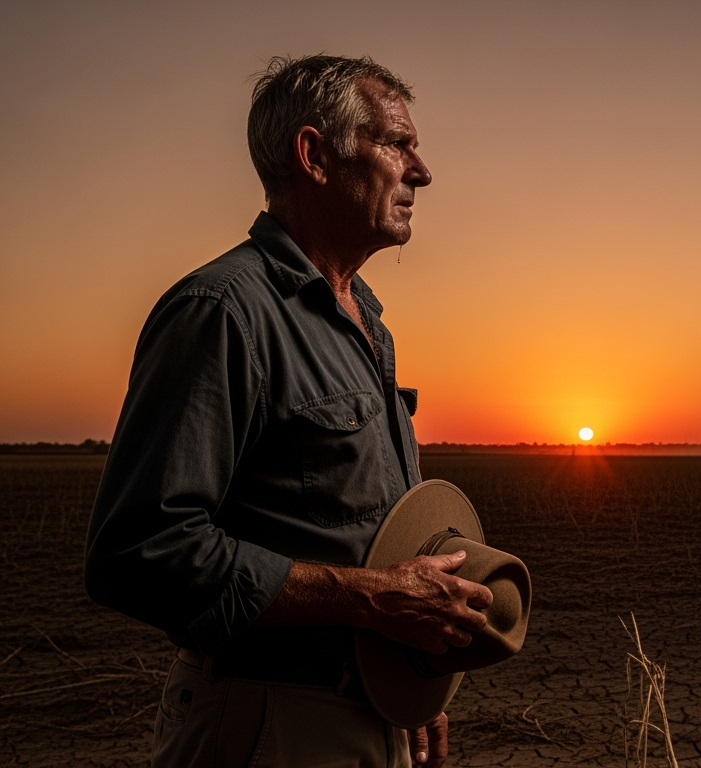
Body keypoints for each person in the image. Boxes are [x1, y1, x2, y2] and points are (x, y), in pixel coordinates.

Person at [84, 54, 489, 768]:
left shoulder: (366, 321)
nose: (421, 172)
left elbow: (359, 532)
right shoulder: (223, 312)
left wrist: (411, 692)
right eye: (396, 144)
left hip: (371, 713)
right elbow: (140, 551)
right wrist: (370, 600)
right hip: (268, 724)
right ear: (315, 156)